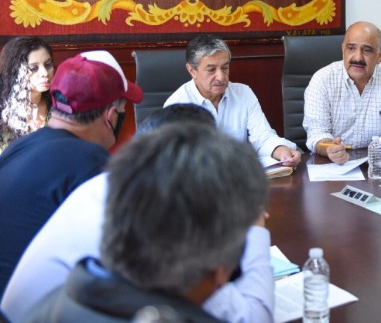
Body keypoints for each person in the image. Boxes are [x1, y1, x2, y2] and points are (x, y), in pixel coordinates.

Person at [3, 105, 273, 323]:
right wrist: (254, 230)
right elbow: (253, 317)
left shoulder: (116, 197)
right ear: (219, 268)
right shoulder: (172, 230)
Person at [0, 50, 142, 296]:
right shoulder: (91, 163)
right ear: (111, 116)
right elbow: (124, 251)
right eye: (123, 107)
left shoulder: (19, 146)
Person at [165, 34, 301, 167]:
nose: (221, 77)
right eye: (211, 70)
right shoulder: (176, 106)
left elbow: (262, 137)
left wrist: (282, 151)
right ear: (192, 70)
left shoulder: (243, 93)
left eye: (225, 67)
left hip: (240, 176)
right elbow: (177, 160)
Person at [304, 21, 381, 164]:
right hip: (333, 166)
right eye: (351, 48)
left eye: (367, 50)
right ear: (343, 50)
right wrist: (329, 148)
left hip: (375, 164)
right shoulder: (322, 80)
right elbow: (316, 133)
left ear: (379, 55)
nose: (358, 57)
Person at [0, 37, 54, 153]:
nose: (44, 73)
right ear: (14, 72)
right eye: (33, 68)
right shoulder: (2, 112)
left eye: (48, 64)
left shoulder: (59, 105)